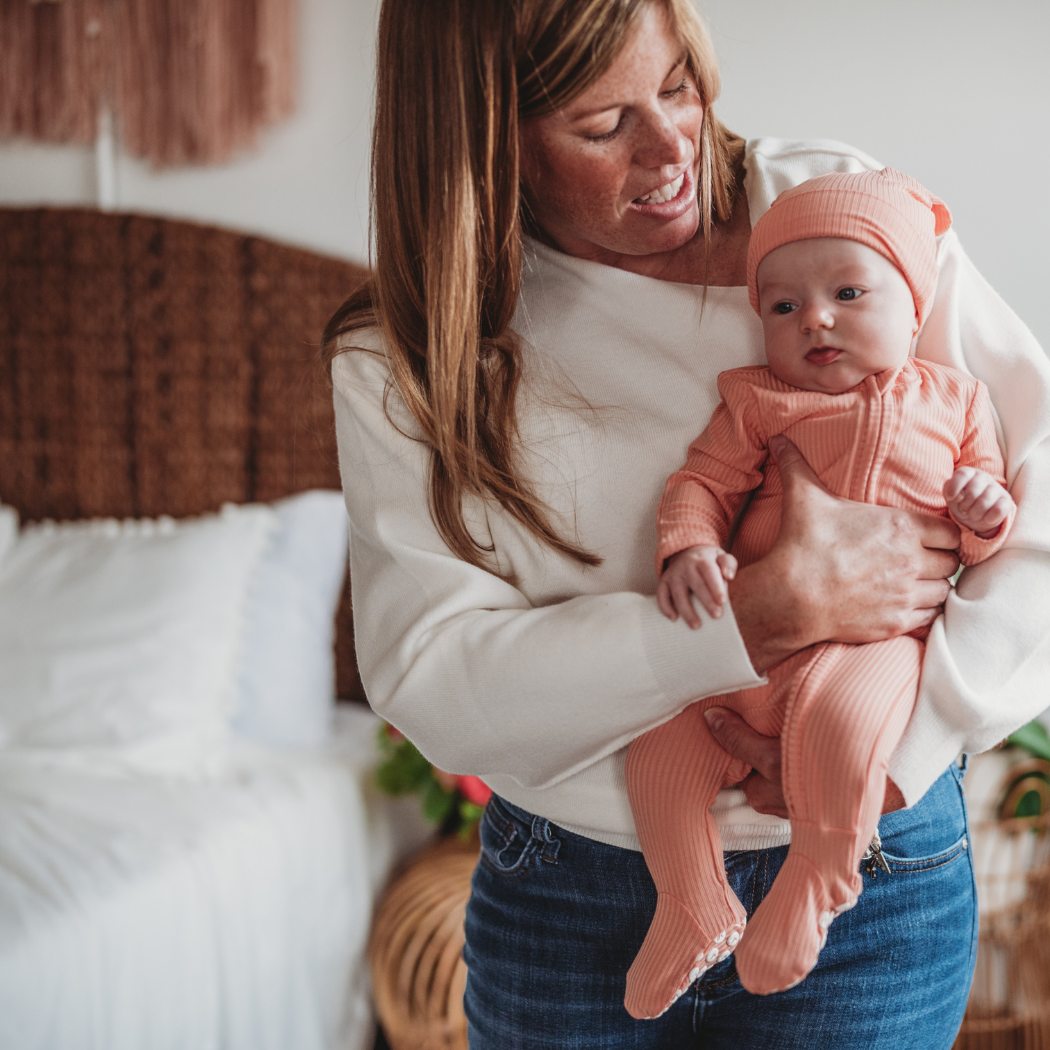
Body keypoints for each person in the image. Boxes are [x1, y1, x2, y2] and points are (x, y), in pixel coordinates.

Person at [324, 0, 1050, 1046]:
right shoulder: (411, 360)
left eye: (677, 85)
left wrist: (901, 744)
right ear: (489, 144)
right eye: (601, 124)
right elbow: (431, 671)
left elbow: (1030, 492)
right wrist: (750, 617)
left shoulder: (831, 210)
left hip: (869, 882)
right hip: (569, 905)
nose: (673, 148)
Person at [625, 168, 1015, 1018]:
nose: (818, 320)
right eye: (785, 307)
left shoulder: (956, 400)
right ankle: (693, 900)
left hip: (875, 650)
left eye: (847, 292)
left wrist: (985, 509)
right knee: (657, 752)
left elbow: (988, 527)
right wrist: (687, 546)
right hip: (749, 647)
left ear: (913, 307)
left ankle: (821, 869)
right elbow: (702, 482)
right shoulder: (759, 401)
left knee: (843, 731)